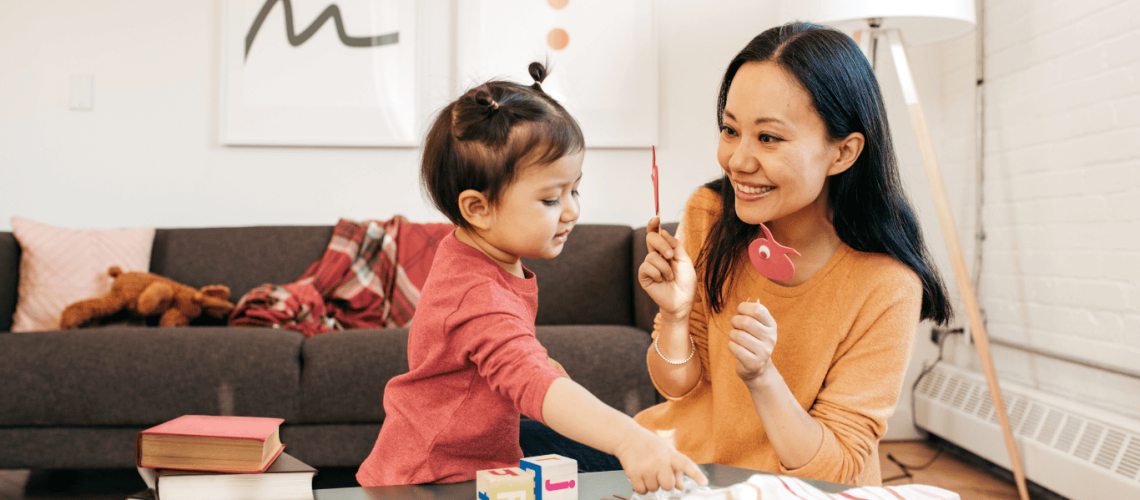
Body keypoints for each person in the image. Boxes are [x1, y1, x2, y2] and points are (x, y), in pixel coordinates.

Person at [356, 62, 707, 494]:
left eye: (574, 190)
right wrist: (628, 438)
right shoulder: (478, 293)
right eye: (550, 198)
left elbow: (492, 353)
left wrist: (535, 363)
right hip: (432, 480)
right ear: (478, 208)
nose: (573, 210)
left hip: (474, 458)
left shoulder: (477, 253)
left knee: (587, 449)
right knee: (613, 447)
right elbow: (532, 379)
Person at [635, 23, 953, 487]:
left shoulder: (888, 284)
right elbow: (676, 386)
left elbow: (838, 468)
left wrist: (762, 375)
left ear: (843, 152)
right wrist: (677, 315)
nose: (738, 160)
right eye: (730, 130)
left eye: (769, 138)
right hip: (689, 472)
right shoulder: (710, 214)